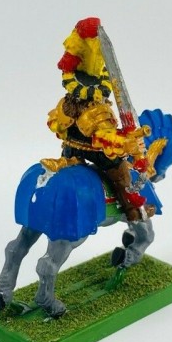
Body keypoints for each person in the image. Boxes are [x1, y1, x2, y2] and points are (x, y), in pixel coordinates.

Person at [46, 17, 152, 222]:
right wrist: (126, 143)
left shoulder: (64, 104)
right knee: (123, 176)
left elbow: (55, 126)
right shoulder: (98, 111)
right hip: (98, 155)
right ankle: (133, 211)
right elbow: (103, 139)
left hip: (69, 151)